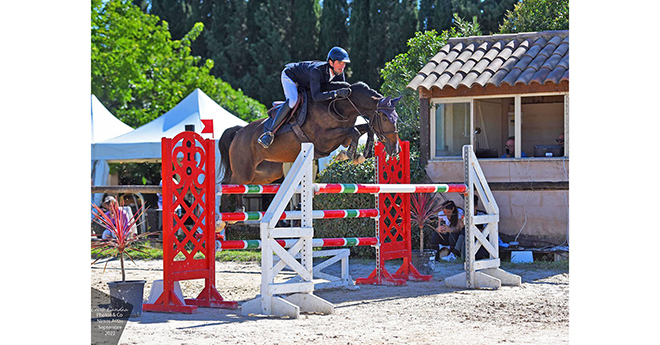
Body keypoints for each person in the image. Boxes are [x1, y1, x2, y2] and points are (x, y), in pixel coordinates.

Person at [257, 46, 352, 148]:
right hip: (291, 77)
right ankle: (270, 133)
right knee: (293, 100)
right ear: (331, 62)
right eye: (339, 63)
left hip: (305, 82)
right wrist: (336, 93)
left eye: (344, 63)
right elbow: (316, 96)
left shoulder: (339, 74)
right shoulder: (317, 71)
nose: (342, 66)